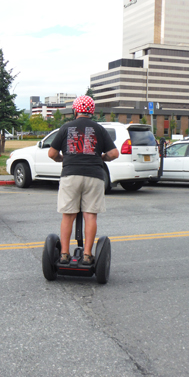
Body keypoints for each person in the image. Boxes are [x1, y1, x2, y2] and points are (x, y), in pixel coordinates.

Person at [48, 95, 119, 265]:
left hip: (70, 175)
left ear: (75, 110)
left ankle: (64, 254)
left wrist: (62, 159)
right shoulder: (99, 129)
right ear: (91, 111)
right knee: (90, 215)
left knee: (68, 216)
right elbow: (114, 154)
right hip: (94, 175)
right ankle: (87, 255)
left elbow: (51, 153)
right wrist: (102, 157)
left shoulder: (66, 127)